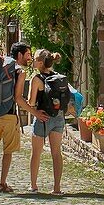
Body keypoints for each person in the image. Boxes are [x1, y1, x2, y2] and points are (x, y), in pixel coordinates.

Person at [0, 42, 48, 192]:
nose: (30, 58)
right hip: (10, 115)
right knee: (8, 150)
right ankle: (2, 183)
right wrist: (35, 112)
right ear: (19, 55)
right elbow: (18, 98)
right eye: (28, 54)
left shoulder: (0, 65)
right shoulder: (19, 71)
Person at [27, 49, 72, 195]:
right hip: (59, 118)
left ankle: (33, 185)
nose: (32, 62)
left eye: (34, 59)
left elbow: (32, 102)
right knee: (56, 153)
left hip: (43, 118)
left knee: (36, 153)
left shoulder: (37, 79)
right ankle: (57, 188)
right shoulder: (58, 78)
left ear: (40, 62)